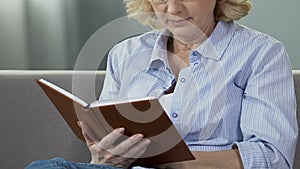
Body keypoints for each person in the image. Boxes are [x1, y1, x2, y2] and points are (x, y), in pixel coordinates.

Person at [26, 0, 298, 168]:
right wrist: (103, 156)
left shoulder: (261, 53)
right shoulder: (125, 54)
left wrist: (164, 160)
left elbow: (272, 159)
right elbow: (106, 137)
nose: (172, 9)